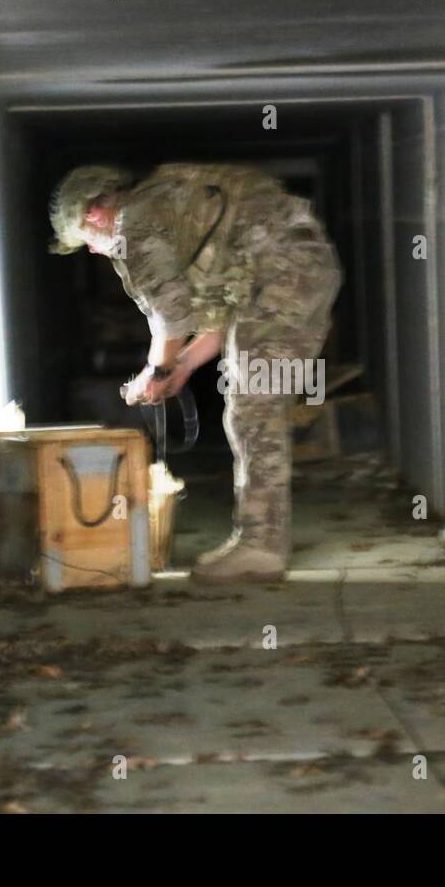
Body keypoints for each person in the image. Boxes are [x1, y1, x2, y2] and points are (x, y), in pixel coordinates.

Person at [50, 163, 342, 584]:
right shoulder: (167, 209)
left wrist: (157, 369)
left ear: (93, 215)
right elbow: (221, 319)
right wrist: (182, 367)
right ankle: (257, 541)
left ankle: (261, 547)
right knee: (250, 405)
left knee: (253, 410)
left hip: (283, 279)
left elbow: (170, 315)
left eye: (86, 240)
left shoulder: (135, 226)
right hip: (291, 272)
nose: (94, 251)